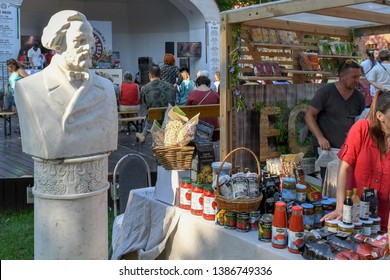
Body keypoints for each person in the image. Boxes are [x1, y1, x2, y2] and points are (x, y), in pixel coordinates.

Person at [14, 10, 118, 159]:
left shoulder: (106, 87)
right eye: (80, 41)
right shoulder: (29, 88)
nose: (88, 48)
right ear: (58, 43)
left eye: (90, 42)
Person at [321, 89, 390, 232]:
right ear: (380, 116)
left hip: (384, 222)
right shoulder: (362, 129)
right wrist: (340, 209)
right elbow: (343, 168)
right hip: (353, 219)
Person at [304, 59, 366, 179]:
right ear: (342, 76)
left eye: (359, 77)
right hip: (326, 149)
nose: (358, 81)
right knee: (328, 182)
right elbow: (309, 115)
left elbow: (362, 121)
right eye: (354, 77)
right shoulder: (326, 92)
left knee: (348, 182)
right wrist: (320, 137)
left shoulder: (359, 97)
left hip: (349, 149)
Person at [135, 65, 176, 143]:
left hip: (154, 118)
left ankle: (143, 134)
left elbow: (144, 104)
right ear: (161, 75)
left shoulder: (144, 88)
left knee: (151, 113)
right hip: (169, 117)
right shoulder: (171, 86)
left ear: (150, 76)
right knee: (156, 113)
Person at [186, 75, 220, 141]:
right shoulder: (215, 94)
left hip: (197, 128)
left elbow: (187, 111)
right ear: (209, 84)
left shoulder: (192, 94)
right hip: (214, 128)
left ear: (197, 84)